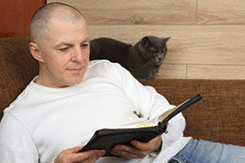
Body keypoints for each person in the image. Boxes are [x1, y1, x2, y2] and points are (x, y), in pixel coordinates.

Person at [0, 2, 244, 163]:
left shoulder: (107, 70)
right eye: (64, 48)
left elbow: (169, 113)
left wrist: (158, 141)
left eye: (84, 45)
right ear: (37, 52)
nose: (80, 58)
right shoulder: (18, 121)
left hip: (185, 151)